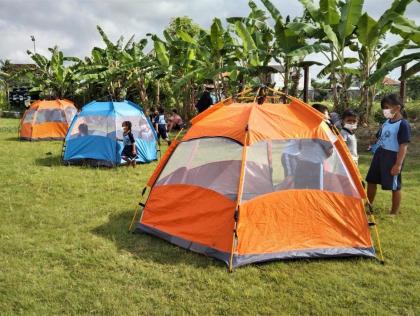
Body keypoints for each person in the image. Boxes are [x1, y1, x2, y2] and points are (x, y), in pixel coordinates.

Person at [366, 94, 411, 215]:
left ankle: (393, 212)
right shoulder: (386, 122)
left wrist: (398, 164)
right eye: (383, 108)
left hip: (392, 157)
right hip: (379, 155)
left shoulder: (403, 124)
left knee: (394, 186)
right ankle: (368, 206)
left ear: (397, 108)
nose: (384, 110)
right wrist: (373, 141)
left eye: (386, 107)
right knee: (371, 180)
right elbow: (379, 137)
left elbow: (403, 145)